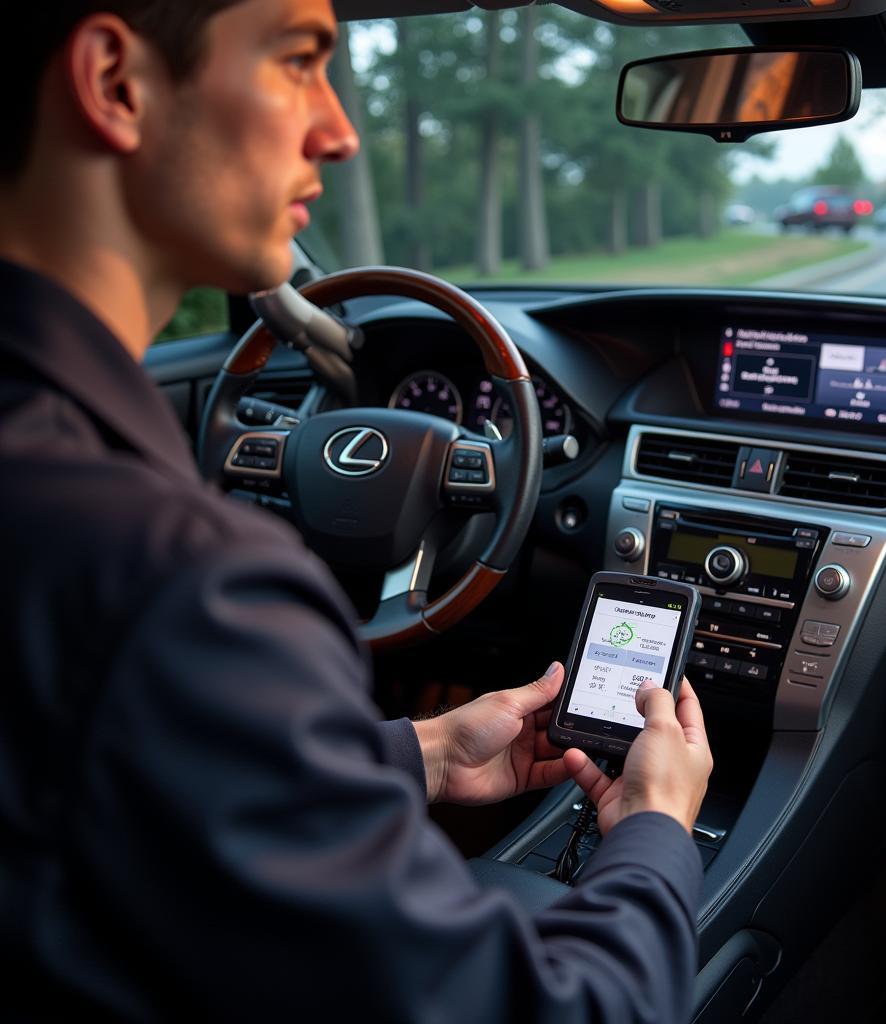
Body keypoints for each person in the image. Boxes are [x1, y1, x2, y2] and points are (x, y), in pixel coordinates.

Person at [0, 1, 714, 1019]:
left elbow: (103, 772)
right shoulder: (184, 584)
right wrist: (653, 830)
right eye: (298, 61)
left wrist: (412, 751)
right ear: (116, 82)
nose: (340, 130)